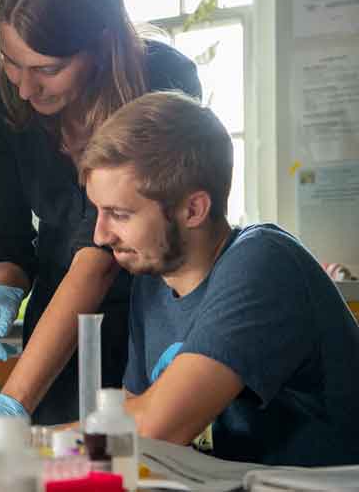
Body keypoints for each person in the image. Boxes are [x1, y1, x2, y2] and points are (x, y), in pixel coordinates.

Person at [0, 0, 201, 430]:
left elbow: (101, 254)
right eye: (13, 62)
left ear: (101, 47)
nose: (26, 87)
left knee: (144, 457)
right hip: (55, 333)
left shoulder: (162, 79)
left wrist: (13, 401)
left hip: (150, 318)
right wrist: (3, 290)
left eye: (48, 69)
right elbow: (7, 237)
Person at [80, 90, 359, 466]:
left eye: (119, 214)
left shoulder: (264, 261)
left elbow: (155, 427)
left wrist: (32, 442)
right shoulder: (151, 277)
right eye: (98, 210)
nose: (100, 235)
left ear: (193, 209)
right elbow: (134, 419)